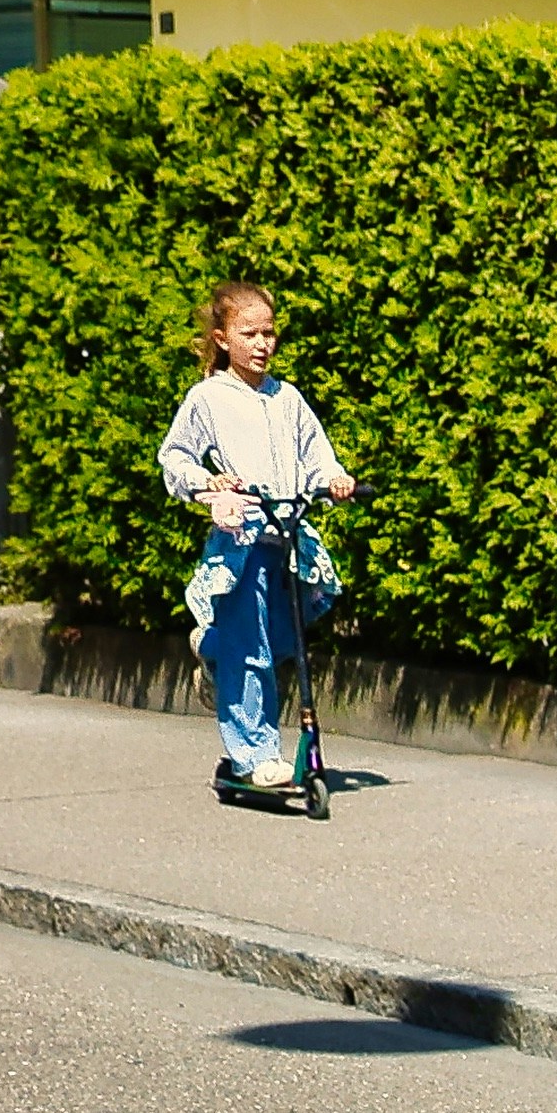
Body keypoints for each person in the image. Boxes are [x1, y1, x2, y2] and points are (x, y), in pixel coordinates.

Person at [156, 280, 349, 799]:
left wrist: (333, 479)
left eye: (269, 333)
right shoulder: (208, 398)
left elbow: (317, 455)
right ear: (222, 338)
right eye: (250, 333)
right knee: (253, 652)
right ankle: (255, 756)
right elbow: (175, 458)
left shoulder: (287, 398)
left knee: (291, 635)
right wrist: (207, 485)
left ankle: (211, 648)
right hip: (240, 541)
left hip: (286, 537)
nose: (262, 343)